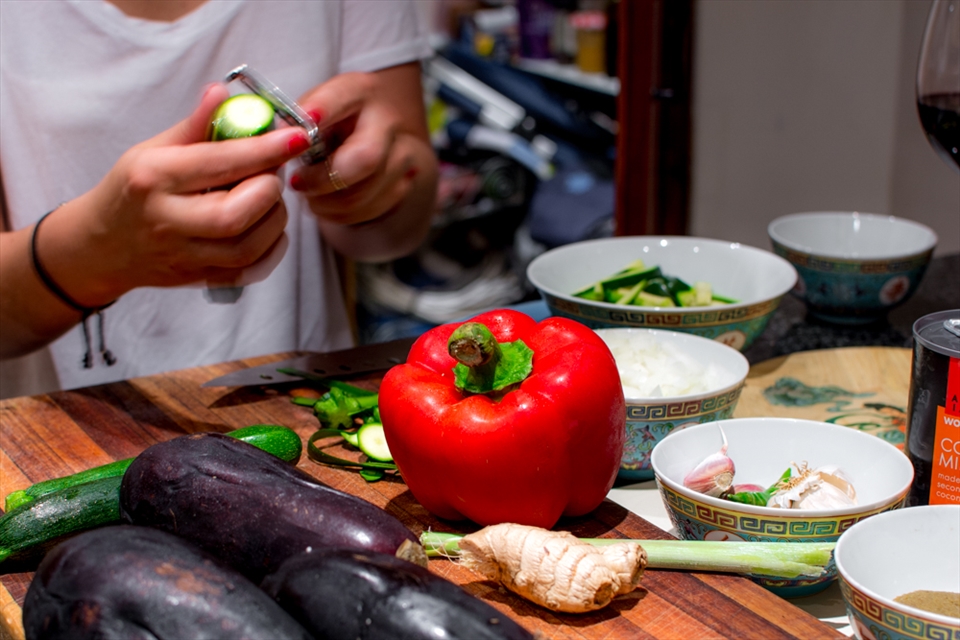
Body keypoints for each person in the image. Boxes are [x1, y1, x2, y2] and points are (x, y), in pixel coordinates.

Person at [0, 0, 439, 397]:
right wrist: (94, 250)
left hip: (302, 396)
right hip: (62, 419)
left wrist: (368, 184)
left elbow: (398, 228)